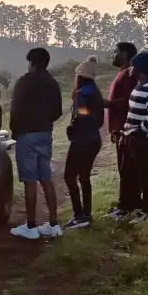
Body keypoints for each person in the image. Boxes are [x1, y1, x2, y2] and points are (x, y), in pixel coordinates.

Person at [8, 47, 64, 240]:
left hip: (27, 135)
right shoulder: (53, 83)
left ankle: (31, 226)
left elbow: (15, 109)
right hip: (45, 134)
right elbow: (57, 111)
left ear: (31, 63)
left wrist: (15, 133)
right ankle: (54, 225)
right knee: (45, 178)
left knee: (30, 181)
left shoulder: (24, 82)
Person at [120, 51, 148, 224]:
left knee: (144, 175)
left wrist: (136, 133)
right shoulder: (141, 85)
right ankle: (131, 208)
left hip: (144, 140)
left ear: (140, 69)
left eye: (133, 66)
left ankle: (146, 212)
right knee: (130, 174)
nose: (130, 69)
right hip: (133, 138)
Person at [62, 55, 105, 230]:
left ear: (80, 77)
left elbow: (82, 114)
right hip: (94, 139)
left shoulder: (81, 94)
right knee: (84, 177)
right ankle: (86, 215)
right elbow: (99, 120)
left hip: (82, 141)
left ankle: (79, 215)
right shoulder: (96, 92)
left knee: (69, 176)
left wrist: (75, 124)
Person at [103, 42, 140, 220]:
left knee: (127, 169)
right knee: (125, 168)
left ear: (124, 54)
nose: (113, 55)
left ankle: (126, 206)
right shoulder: (124, 73)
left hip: (126, 130)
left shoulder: (129, 74)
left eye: (115, 52)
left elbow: (128, 100)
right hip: (121, 129)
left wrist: (107, 103)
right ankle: (127, 205)